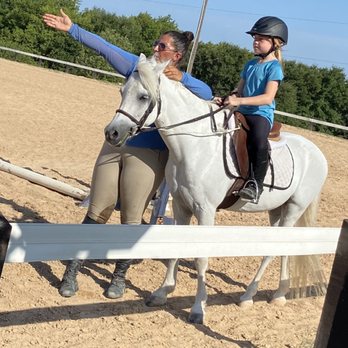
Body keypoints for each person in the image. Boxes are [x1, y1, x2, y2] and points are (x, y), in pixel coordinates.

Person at [42, 9, 212, 299]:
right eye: (156, 44)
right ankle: (72, 269)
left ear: (176, 56)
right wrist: (73, 29)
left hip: (149, 153)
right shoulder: (137, 66)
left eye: (162, 46)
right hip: (115, 146)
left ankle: (119, 275)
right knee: (97, 210)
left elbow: (207, 93)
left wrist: (181, 78)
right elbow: (106, 48)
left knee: (132, 218)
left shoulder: (181, 84)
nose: (154, 49)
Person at [217, 16, 287, 203]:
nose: (255, 42)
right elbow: (238, 89)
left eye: (260, 39)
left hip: (260, 114)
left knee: (258, 141)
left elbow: (267, 98)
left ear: (275, 44)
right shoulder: (250, 64)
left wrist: (238, 100)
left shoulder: (274, 68)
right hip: (242, 110)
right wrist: (226, 98)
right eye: (254, 39)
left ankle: (256, 184)